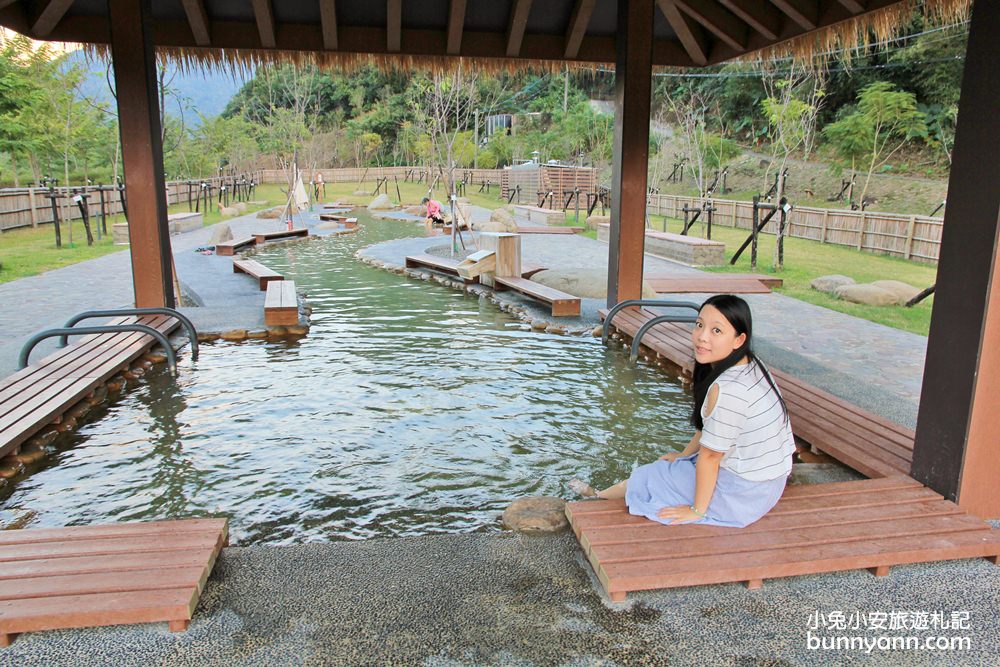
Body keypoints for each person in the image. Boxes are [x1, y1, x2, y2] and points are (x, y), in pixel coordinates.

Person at [569, 294, 794, 527]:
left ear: (739, 339)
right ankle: (600, 495)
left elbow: (710, 456)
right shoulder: (752, 365)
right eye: (699, 325)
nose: (702, 337)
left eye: (716, 331)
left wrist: (696, 510)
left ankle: (596, 497)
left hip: (740, 496)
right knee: (670, 466)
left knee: (650, 475)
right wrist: (684, 456)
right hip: (769, 485)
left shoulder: (728, 390)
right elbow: (711, 428)